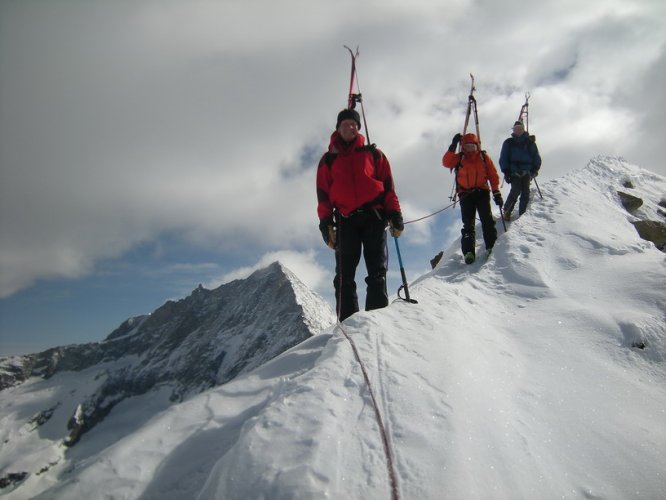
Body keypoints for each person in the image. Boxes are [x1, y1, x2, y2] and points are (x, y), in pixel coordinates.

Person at [316, 108, 404, 321]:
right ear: (337, 129)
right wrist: (325, 222)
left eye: (353, 124)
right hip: (345, 220)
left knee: (377, 271)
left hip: (374, 216)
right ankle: (348, 322)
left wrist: (395, 214)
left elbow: (388, 188)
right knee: (344, 275)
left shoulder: (374, 154)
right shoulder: (328, 160)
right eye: (345, 124)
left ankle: (377, 318)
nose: (350, 127)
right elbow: (323, 195)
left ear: (358, 128)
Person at [442, 132, 503, 264]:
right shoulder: (459, 158)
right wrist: (453, 145)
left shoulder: (483, 157)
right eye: (467, 146)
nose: (470, 149)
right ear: (463, 147)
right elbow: (446, 162)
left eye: (473, 146)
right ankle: (469, 252)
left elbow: (493, 175)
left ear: (477, 146)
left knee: (487, 220)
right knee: (468, 224)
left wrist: (496, 192)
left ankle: (491, 246)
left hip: (482, 192)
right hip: (465, 194)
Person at [499, 120, 542, 220]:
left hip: (527, 171)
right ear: (513, 130)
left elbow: (536, 156)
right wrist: (506, 171)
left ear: (523, 130)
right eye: (516, 129)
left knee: (525, 192)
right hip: (513, 172)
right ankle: (507, 211)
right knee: (515, 190)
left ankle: (522, 214)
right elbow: (503, 158)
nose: (518, 131)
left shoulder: (529, 142)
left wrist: (535, 168)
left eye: (520, 129)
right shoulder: (508, 142)